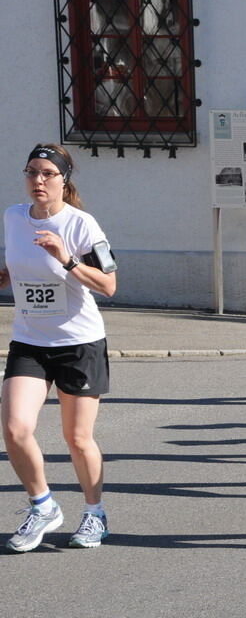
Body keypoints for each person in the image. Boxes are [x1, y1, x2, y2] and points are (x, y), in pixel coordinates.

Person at [1, 144, 117, 552]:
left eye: (48, 173)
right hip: (30, 341)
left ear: (64, 180)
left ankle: (95, 513)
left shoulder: (82, 224)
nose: (38, 180)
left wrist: (65, 259)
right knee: (16, 429)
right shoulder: (13, 218)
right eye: (32, 171)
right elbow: (15, 270)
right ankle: (43, 505)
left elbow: (109, 286)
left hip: (78, 343)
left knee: (77, 438)